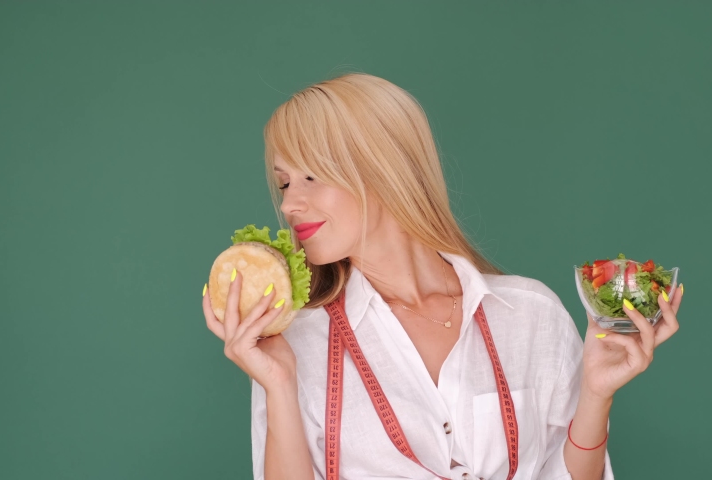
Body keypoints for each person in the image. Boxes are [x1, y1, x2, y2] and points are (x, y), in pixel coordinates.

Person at [202, 72, 683, 480]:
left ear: (383, 168)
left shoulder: (529, 314)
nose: (289, 203)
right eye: (284, 183)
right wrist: (280, 385)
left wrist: (596, 394)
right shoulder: (297, 345)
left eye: (311, 177)